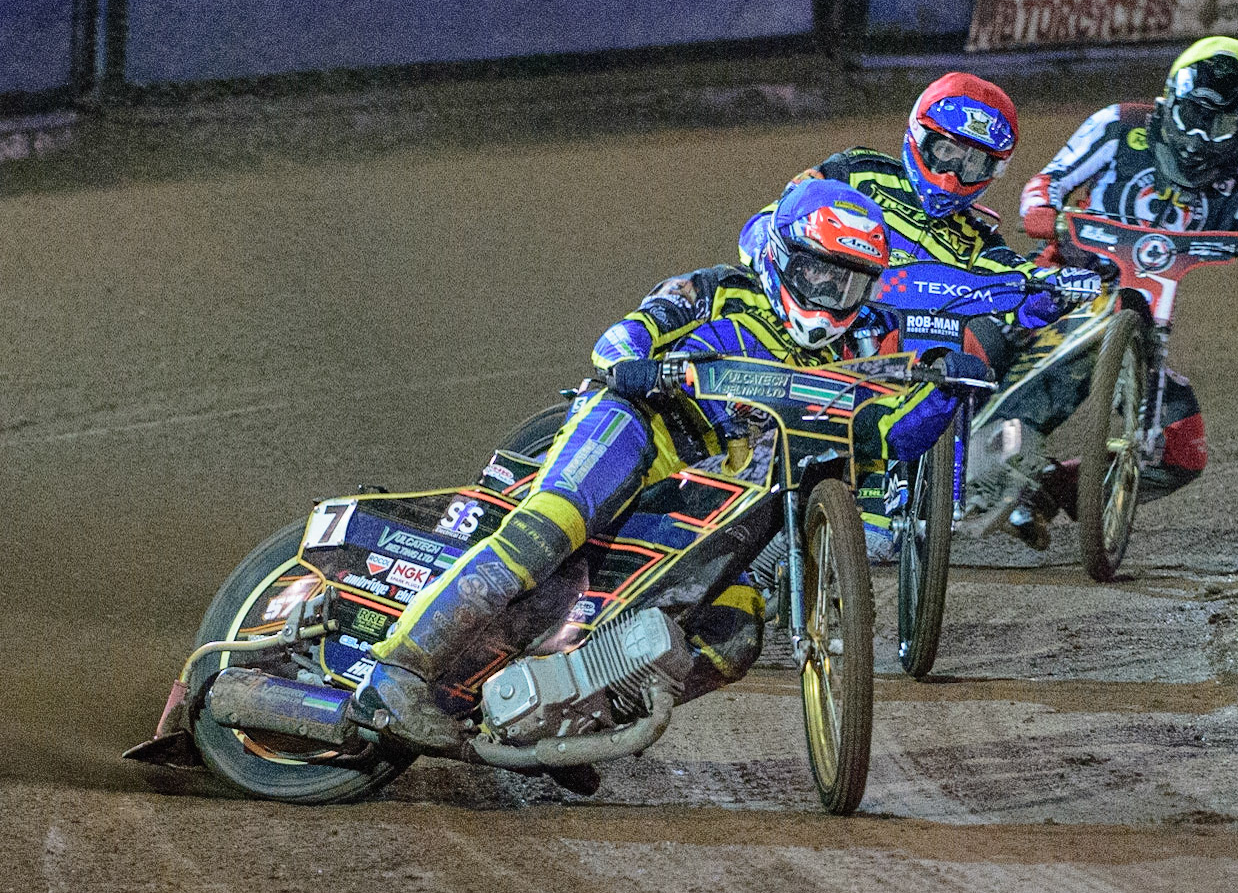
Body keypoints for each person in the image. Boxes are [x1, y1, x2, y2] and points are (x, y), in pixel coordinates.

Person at [350, 179, 988, 751]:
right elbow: (617, 343)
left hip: (717, 499)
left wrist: (945, 394)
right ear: (780, 257)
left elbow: (883, 435)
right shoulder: (716, 290)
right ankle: (396, 672)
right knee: (555, 522)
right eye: (818, 274)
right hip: (642, 425)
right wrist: (644, 366)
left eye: (847, 282)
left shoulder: (867, 343)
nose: (830, 294)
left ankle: (573, 719)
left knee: (734, 634)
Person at [738, 72, 1102, 559]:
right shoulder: (858, 173)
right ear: (917, 135)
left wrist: (1053, 290)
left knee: (971, 349)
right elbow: (770, 221)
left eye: (973, 162)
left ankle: (918, 490)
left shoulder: (978, 239)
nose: (954, 174)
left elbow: (1017, 288)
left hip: (896, 356)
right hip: (818, 323)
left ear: (993, 171)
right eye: (946, 151)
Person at [973, 36, 1238, 549]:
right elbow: (1049, 181)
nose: (1201, 138)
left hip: (1146, 325)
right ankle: (970, 458)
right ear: (1171, 101)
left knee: (1180, 448)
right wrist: (1045, 213)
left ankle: (1046, 490)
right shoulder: (1119, 125)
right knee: (983, 347)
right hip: (1063, 284)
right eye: (1195, 116)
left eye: (1219, 125)